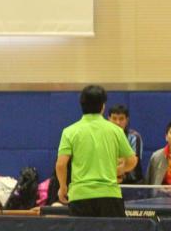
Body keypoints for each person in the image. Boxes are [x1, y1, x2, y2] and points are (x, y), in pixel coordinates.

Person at [55, 85, 138, 218]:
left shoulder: (69, 131)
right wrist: (117, 171)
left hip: (80, 196)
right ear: (103, 106)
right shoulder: (116, 130)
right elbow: (132, 160)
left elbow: (61, 164)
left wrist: (63, 187)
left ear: (81, 105)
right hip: (110, 195)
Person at [107, 104, 144, 184]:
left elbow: (133, 162)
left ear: (127, 120)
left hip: (132, 183)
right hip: (109, 181)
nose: (118, 122)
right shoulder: (104, 137)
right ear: (109, 119)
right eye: (114, 118)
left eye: (121, 119)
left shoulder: (134, 137)